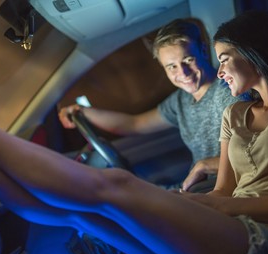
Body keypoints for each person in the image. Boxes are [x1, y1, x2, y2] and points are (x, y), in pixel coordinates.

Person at [0, 10, 268, 254]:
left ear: (256, 53)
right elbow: (222, 191)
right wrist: (208, 203)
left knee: (115, 186)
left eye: (221, 58)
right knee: (82, 216)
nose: (218, 69)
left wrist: (219, 205)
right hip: (232, 223)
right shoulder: (234, 111)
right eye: (172, 67)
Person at [59, 18, 241, 192]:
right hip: (195, 186)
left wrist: (204, 166)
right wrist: (82, 112)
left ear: (202, 50)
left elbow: (251, 158)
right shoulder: (180, 100)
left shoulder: (227, 92)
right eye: (172, 67)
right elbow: (134, 124)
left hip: (217, 190)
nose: (183, 73)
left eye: (188, 60)